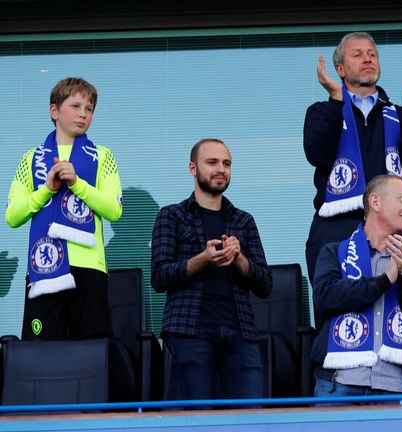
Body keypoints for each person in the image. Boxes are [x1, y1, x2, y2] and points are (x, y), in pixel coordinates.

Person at [304, 31, 402, 281]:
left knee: (393, 311)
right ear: (340, 69)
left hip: (390, 229)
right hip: (335, 228)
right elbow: (318, 154)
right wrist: (336, 100)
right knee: (335, 314)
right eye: (358, 54)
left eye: (372, 54)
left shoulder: (397, 113)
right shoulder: (322, 111)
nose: (368, 59)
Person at [151, 138, 272, 400]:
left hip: (241, 331)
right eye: (212, 162)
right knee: (197, 418)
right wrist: (203, 259)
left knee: (251, 417)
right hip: (190, 331)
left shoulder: (243, 220)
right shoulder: (171, 215)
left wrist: (240, 259)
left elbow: (265, 284)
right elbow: (160, 277)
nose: (221, 169)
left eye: (226, 164)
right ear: (193, 168)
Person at [6, 77, 122, 340]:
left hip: (90, 269)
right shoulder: (30, 158)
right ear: (54, 111)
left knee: (92, 351)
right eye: (76, 105)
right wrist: (47, 189)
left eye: (89, 108)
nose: (83, 114)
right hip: (43, 267)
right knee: (42, 352)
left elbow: (114, 210)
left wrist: (78, 183)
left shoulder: (102, 155)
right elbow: (12, 216)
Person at [311, 175, 402, 405]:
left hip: (394, 389)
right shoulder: (335, 253)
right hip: (339, 384)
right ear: (376, 202)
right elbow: (326, 297)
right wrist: (385, 280)